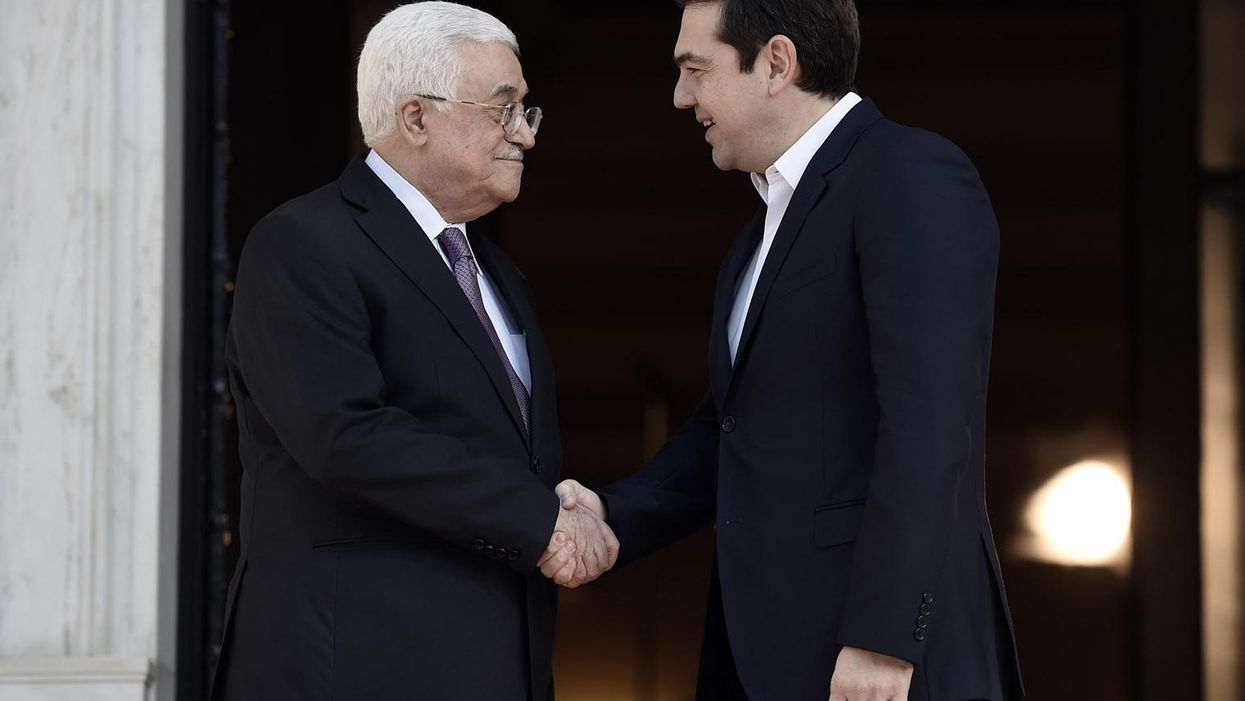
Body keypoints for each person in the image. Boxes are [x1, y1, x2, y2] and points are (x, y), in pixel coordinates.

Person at [546, 0, 1024, 699]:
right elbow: (732, 426)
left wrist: (882, 638)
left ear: (775, 62)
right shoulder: (758, 233)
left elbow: (929, 424)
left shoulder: (907, 172)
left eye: (694, 69)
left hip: (879, 663)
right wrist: (612, 518)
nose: (681, 97)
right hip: (769, 651)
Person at [211, 3, 616, 700]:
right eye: (502, 109)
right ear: (415, 117)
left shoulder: (499, 276)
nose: (524, 133)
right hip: (354, 667)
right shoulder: (302, 244)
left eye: (527, 111)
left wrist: (557, 504)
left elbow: (491, 450)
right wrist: (538, 520)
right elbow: (344, 433)